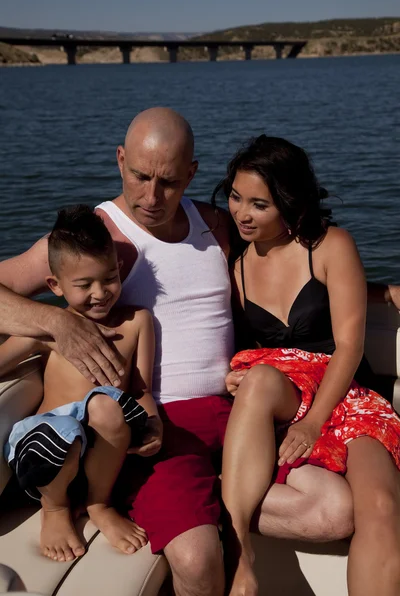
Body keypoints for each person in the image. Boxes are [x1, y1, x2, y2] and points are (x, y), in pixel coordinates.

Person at [0, 107, 393, 595]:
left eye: (168, 181)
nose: (151, 196)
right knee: (197, 559)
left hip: (242, 419)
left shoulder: (218, 226)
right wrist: (56, 321)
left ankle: (218, 501)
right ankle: (194, 509)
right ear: (120, 161)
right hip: (158, 430)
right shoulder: (100, 238)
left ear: (192, 172)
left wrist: (382, 293)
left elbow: (291, 261)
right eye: (140, 176)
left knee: (336, 511)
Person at [215, 135, 400, 596]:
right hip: (281, 390)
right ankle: (239, 549)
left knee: (379, 504)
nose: (242, 213)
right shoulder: (234, 266)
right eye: (236, 197)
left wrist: (315, 422)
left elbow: (350, 345)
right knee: (258, 379)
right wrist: (230, 376)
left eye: (259, 204)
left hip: (346, 396)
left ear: (290, 204)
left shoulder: (330, 245)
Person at [1, 205, 162, 563]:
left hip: (101, 453)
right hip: (47, 449)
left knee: (106, 404)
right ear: (55, 286)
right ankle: (55, 510)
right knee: (67, 431)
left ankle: (99, 503)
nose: (100, 292)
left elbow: (139, 389)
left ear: (119, 269)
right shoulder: (47, 330)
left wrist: (153, 423)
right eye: (84, 284)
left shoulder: (138, 322)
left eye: (108, 278)